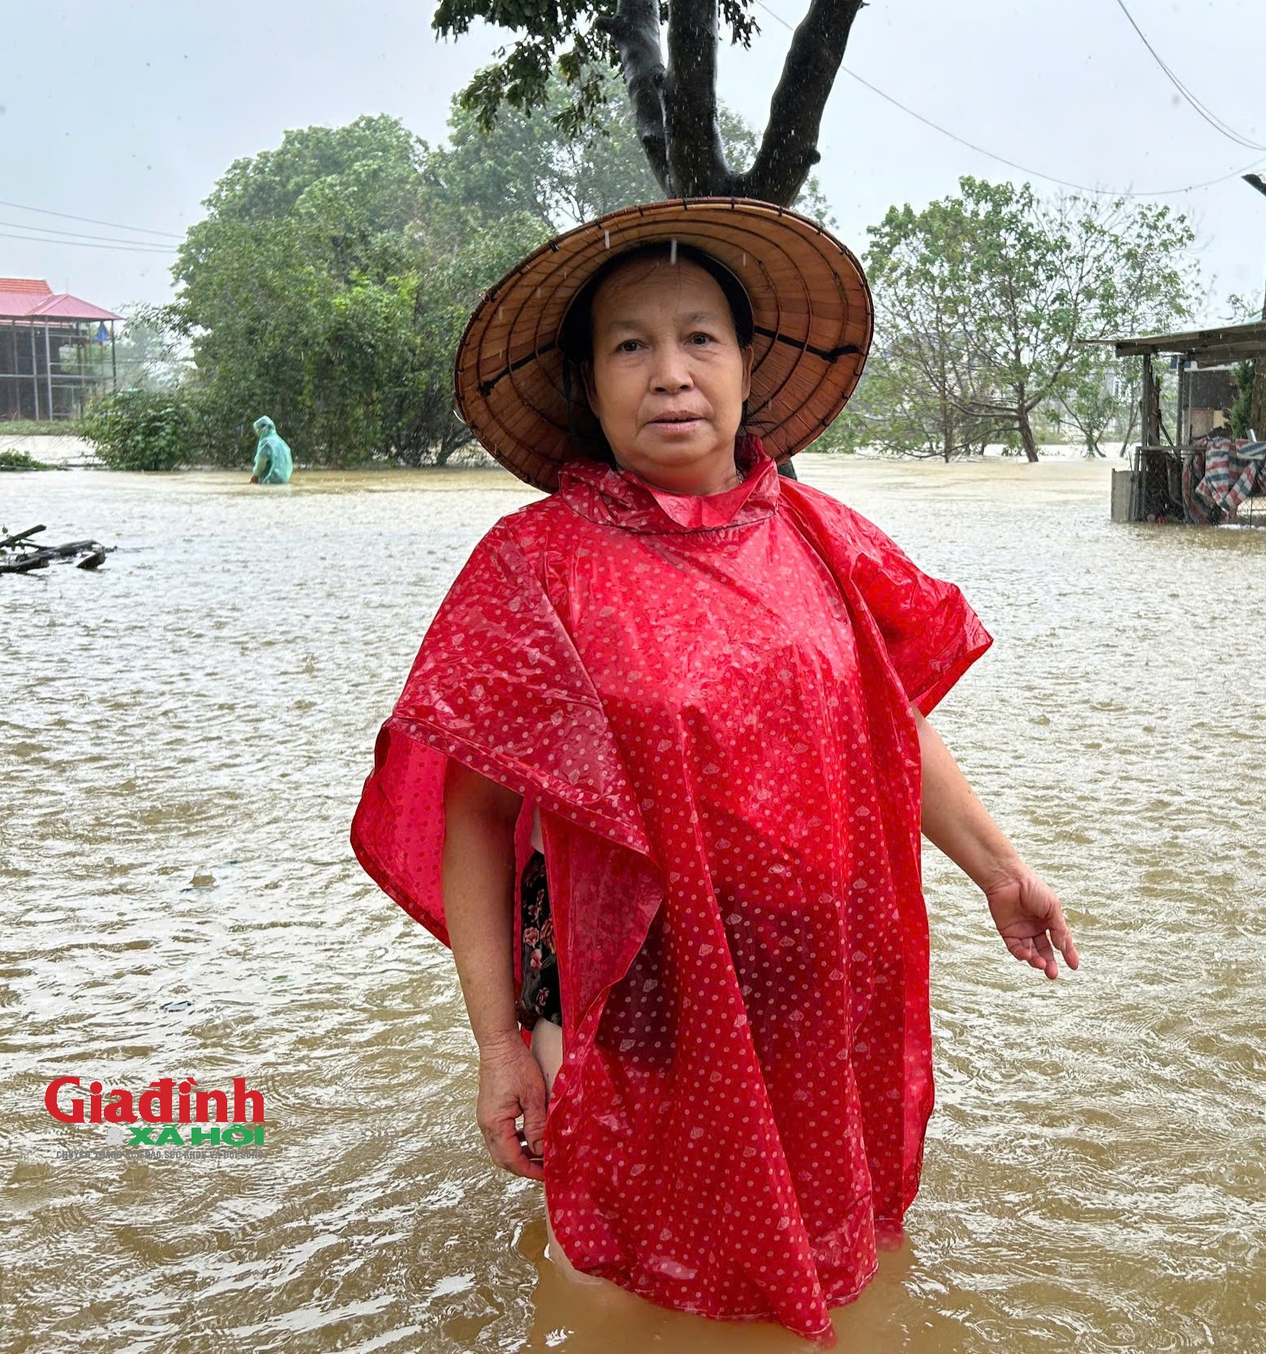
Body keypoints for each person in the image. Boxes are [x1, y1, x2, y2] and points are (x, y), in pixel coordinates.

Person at [349, 200, 1079, 1344]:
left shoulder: (821, 535)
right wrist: (498, 1045)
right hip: (622, 993)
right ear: (590, 389)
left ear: (747, 370)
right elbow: (476, 821)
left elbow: (892, 731)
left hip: (814, 982)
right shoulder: (533, 568)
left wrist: (998, 869)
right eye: (629, 345)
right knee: (611, 1265)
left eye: (700, 337)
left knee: (836, 1244)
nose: (670, 371)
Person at [249, 416, 292, 484]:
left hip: (270, 479)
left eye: (258, 429)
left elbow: (261, 462)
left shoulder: (266, 442)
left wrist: (255, 476)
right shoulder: (280, 441)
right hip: (283, 480)